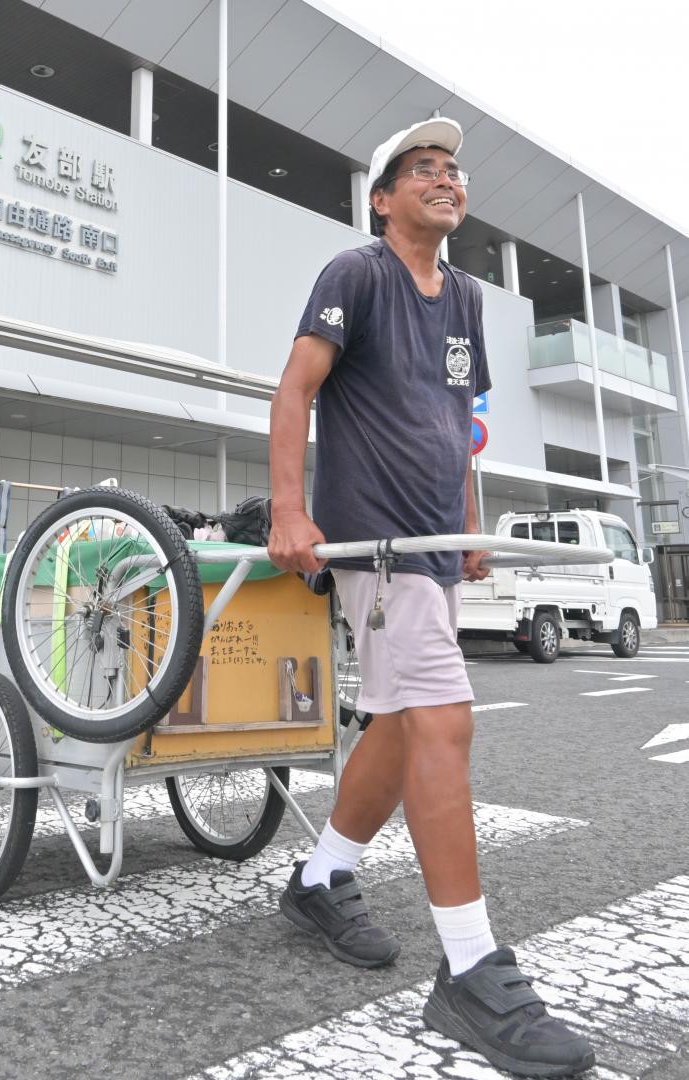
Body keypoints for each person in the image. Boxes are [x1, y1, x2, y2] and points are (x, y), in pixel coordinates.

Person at [267, 118, 594, 1077]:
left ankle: (322, 877)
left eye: (452, 170)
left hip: (434, 547)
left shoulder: (468, 297)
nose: (445, 180)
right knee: (444, 721)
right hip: (376, 543)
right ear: (383, 198)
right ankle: (467, 971)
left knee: (403, 724)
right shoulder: (355, 274)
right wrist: (290, 510)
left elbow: (461, 422)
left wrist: (470, 526)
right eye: (422, 170)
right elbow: (295, 392)